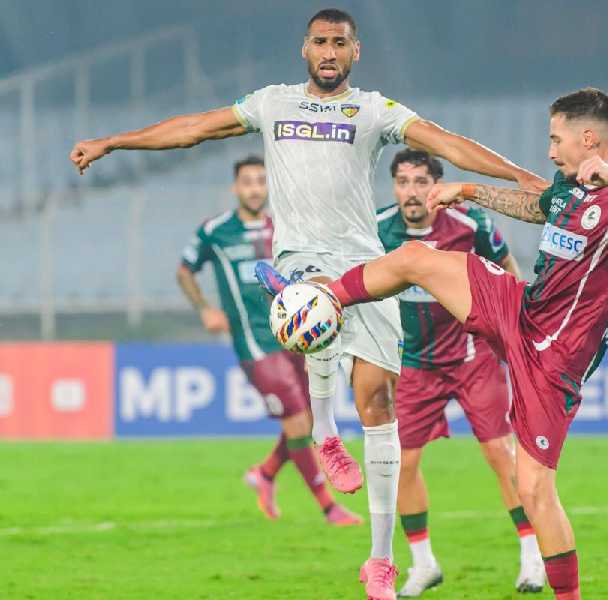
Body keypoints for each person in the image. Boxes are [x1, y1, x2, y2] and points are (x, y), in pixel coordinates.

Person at [69, 8, 544, 599]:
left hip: (367, 263)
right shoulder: (272, 103)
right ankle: (323, 432)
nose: (328, 51)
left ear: (355, 51)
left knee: (378, 403)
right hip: (300, 257)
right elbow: (195, 127)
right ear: (304, 48)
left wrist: (522, 176)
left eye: (339, 43)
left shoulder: (373, 110)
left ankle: (381, 560)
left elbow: (444, 142)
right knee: (313, 304)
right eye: (320, 41)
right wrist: (115, 140)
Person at [319, 88, 608, 599]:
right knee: (415, 257)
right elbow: (536, 207)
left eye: (556, 138)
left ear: (589, 138)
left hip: (555, 360)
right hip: (519, 308)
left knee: (534, 490)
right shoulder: (568, 187)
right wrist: (470, 191)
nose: (550, 150)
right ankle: (323, 298)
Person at [377, 149, 544, 596]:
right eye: (403, 181)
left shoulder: (470, 226)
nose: (411, 191)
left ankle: (531, 556)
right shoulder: (376, 229)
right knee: (402, 465)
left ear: (436, 185)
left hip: (472, 357)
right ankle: (423, 563)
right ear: (394, 186)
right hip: (414, 364)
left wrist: (515, 333)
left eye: (420, 181)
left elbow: (510, 273)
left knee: (499, 455)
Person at [176, 155, 361, 527]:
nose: (255, 188)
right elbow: (185, 270)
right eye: (247, 182)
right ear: (236, 188)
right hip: (255, 344)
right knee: (297, 422)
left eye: (261, 181)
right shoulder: (215, 231)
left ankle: (265, 473)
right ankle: (329, 507)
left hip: (294, 338)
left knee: (307, 418)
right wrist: (204, 309)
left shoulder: (284, 227)